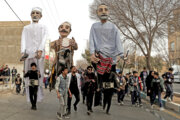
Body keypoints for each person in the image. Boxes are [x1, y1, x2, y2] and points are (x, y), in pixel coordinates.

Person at [89, 3, 124, 114]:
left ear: (108, 12)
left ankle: (107, 104)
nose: (103, 11)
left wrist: (122, 55)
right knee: (98, 83)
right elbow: (91, 41)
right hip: (99, 59)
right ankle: (97, 101)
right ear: (97, 13)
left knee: (109, 86)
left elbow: (118, 42)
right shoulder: (94, 26)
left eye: (105, 10)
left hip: (111, 61)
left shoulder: (113, 27)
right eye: (101, 10)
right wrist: (91, 53)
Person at [21, 7, 48, 103]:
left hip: (38, 54)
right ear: (31, 15)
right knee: (28, 74)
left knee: (39, 74)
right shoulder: (26, 28)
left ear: (41, 16)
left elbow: (44, 38)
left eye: (37, 13)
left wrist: (40, 50)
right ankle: (29, 97)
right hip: (28, 53)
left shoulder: (44, 27)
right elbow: (23, 40)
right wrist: (23, 52)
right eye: (33, 13)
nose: (35, 14)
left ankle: (38, 96)